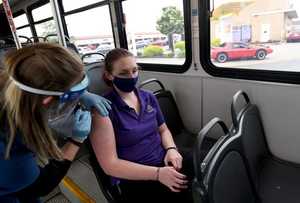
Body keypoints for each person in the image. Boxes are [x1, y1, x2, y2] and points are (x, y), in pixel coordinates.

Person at [0, 43, 111, 203]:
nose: (77, 102)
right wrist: (76, 140)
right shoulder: (10, 147)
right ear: (46, 100)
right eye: (75, 97)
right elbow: (41, 186)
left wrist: (81, 94)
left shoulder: (18, 82)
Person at [90, 48, 194, 203]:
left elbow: (163, 129)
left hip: (162, 158)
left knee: (199, 166)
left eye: (134, 70)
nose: (132, 77)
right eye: (124, 73)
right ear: (109, 76)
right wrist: (158, 174)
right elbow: (110, 165)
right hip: (134, 175)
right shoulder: (103, 110)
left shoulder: (148, 97)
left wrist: (171, 150)